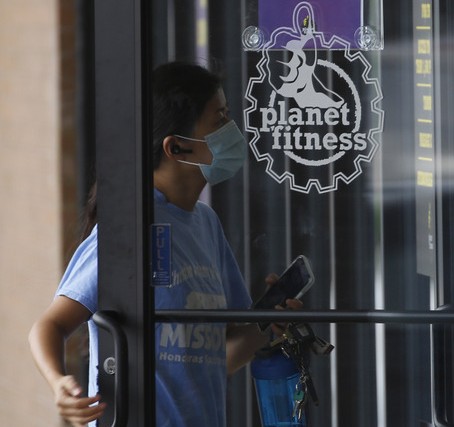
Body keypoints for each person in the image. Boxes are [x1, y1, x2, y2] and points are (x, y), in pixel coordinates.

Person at [28, 61, 302, 427]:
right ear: (177, 148)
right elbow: (49, 325)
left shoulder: (206, 223)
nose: (233, 131)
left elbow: (217, 355)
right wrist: (60, 384)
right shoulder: (132, 228)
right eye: (219, 120)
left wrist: (268, 323)